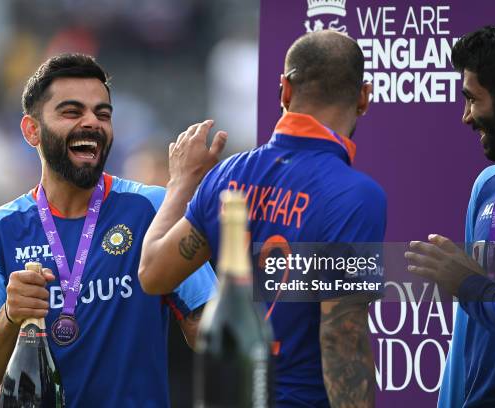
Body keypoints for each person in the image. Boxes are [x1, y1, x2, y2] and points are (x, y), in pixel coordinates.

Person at [139, 30, 385, 408]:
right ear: (364, 98)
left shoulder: (226, 176)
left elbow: (153, 272)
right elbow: (342, 340)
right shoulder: (356, 196)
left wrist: (181, 182)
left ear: (284, 90)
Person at [0, 53, 217, 408]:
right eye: (72, 112)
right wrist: (10, 315)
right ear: (31, 130)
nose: (92, 122)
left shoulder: (152, 208)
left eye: (103, 113)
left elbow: (209, 329)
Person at [404, 25, 495, 407]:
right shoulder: (488, 186)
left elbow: (472, 290)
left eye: (472, 99)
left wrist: (469, 285)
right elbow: (467, 328)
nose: (465, 117)